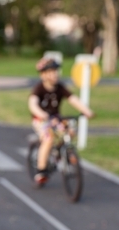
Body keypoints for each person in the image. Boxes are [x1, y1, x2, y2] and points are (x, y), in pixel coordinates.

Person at [28, 57, 95, 185]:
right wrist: (41, 114)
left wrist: (87, 111)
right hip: (41, 120)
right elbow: (33, 104)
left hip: (55, 118)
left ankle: (61, 152)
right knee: (48, 139)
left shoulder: (60, 88)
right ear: (43, 75)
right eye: (51, 72)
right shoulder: (39, 88)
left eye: (56, 71)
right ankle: (41, 170)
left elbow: (73, 99)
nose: (55, 74)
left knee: (70, 131)